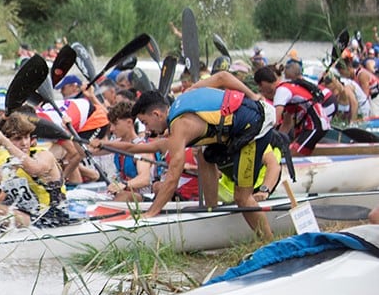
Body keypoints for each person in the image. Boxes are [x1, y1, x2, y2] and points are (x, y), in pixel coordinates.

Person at [131, 76, 283, 240]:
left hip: (255, 125)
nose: (147, 129)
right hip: (239, 125)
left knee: (242, 197)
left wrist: (152, 212)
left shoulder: (179, 126)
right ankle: (212, 209)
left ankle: (269, 242)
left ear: (156, 114)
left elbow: (173, 177)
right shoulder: (186, 95)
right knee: (204, 154)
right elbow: (221, 77)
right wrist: (252, 95)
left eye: (145, 123)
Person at [254, 62, 330, 156]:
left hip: (315, 125)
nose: (260, 89)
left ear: (264, 82)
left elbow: (274, 120)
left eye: (260, 85)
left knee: (293, 155)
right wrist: (275, 145)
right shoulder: (287, 86)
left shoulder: (281, 91)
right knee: (290, 152)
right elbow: (286, 123)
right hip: (318, 123)